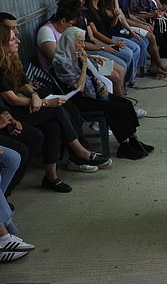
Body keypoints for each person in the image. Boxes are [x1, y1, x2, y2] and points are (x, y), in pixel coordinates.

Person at [0, 26, 111, 191]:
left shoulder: (13, 60)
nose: (18, 40)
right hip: (13, 111)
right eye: (12, 39)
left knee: (54, 124)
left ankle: (52, 178)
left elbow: (24, 84)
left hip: (23, 106)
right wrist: (45, 102)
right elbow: (12, 99)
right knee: (55, 109)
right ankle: (79, 151)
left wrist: (35, 95)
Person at [53, 27, 153, 160]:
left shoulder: (73, 54)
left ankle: (133, 139)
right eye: (80, 42)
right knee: (117, 108)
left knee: (126, 104)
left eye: (83, 42)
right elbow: (79, 87)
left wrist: (92, 57)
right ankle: (124, 145)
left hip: (92, 94)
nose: (83, 45)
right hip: (79, 100)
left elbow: (83, 61)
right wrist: (84, 65)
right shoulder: (61, 62)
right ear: (70, 42)